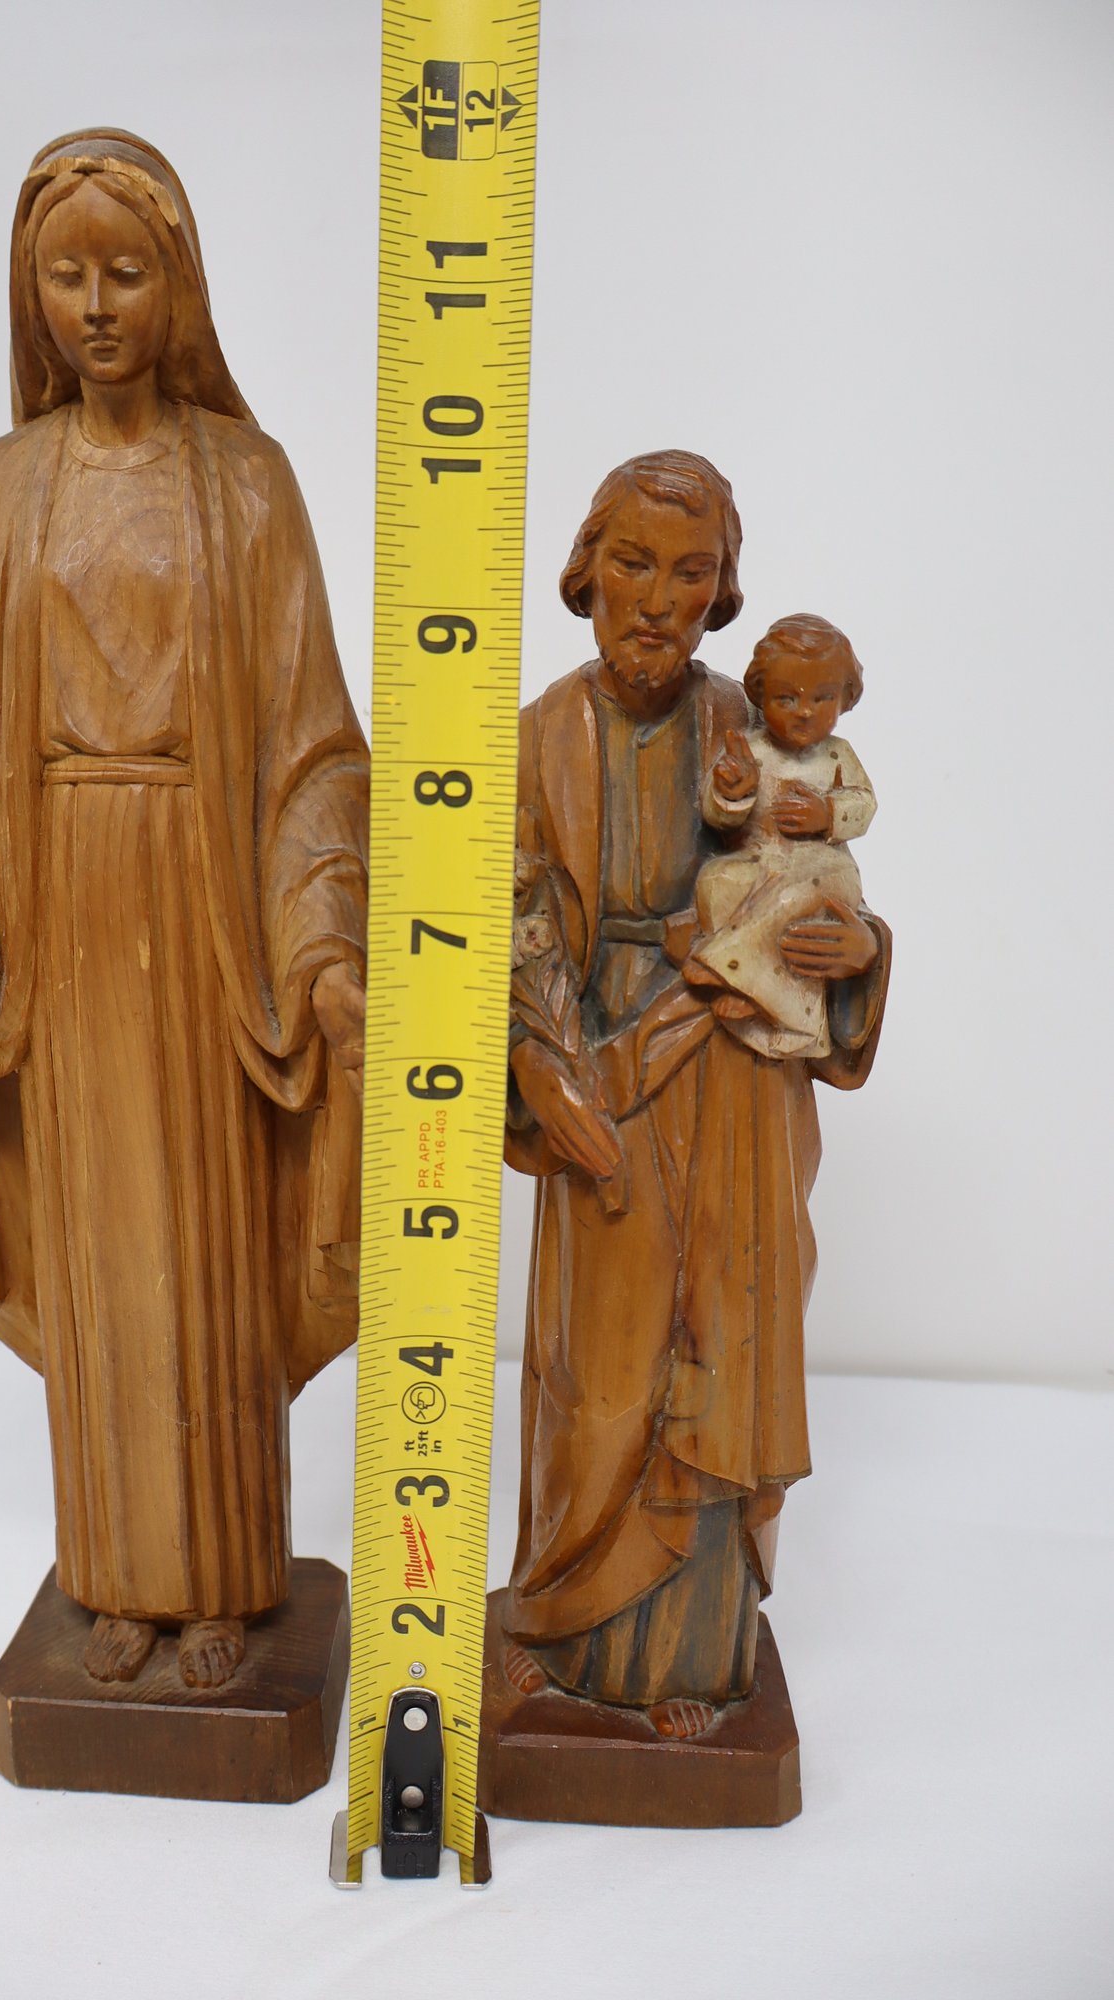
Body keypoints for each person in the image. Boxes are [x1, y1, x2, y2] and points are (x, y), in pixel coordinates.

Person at [0, 132, 369, 1690]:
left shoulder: (247, 482)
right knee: (107, 1258)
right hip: (60, 918)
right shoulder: (11, 487)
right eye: (66, 276)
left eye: (127, 271)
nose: (99, 306)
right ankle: (118, 1583)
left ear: (179, 285)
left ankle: (226, 1586)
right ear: (30, 294)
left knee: (204, 1260)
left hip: (205, 921)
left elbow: (312, 746)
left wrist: (326, 947)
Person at [504, 451, 889, 1739]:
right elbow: (500, 920)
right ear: (586, 571)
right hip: (601, 1075)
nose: (658, 599)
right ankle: (561, 1623)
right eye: (632, 563)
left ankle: (696, 1656)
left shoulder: (758, 724)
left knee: (724, 1352)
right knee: (600, 1371)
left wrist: (857, 951)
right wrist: (541, 1066)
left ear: (721, 590)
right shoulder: (536, 735)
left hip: (738, 1078)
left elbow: (825, 878)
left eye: (690, 571)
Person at [683, 612, 877, 1060]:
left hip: (822, 871)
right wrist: (734, 793)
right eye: (786, 698)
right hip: (763, 863)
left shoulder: (837, 756)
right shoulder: (751, 749)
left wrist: (829, 814)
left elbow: (864, 805)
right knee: (716, 882)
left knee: (791, 898)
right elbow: (718, 816)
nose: (804, 711)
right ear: (761, 695)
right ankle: (755, 987)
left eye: (822, 698)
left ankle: (728, 968)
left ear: (846, 698)